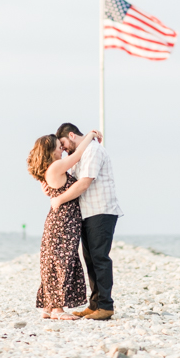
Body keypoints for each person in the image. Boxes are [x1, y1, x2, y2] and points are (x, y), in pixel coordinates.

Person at [27, 129, 100, 320]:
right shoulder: (56, 167)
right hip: (63, 222)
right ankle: (57, 310)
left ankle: (49, 307)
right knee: (62, 262)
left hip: (60, 220)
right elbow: (77, 155)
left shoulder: (50, 170)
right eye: (60, 147)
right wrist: (90, 136)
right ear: (51, 150)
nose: (63, 151)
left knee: (55, 262)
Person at [54, 122, 122, 321]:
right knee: (90, 260)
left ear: (72, 135)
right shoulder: (80, 153)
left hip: (101, 211)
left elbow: (84, 183)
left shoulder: (93, 150)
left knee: (100, 258)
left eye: (64, 144)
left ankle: (105, 306)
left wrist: (59, 200)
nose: (64, 149)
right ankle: (94, 305)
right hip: (87, 213)